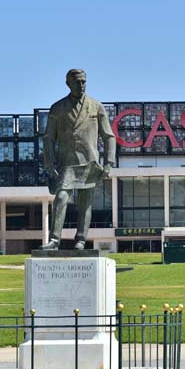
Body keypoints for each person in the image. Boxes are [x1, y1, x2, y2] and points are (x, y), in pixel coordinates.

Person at [40, 69, 116, 251]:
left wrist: (109, 163)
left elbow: (109, 136)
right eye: (77, 82)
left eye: (83, 82)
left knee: (85, 203)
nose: (81, 85)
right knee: (61, 198)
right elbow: (48, 138)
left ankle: (81, 239)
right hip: (66, 162)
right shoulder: (57, 108)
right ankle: (54, 240)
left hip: (89, 162)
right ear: (68, 84)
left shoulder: (96, 106)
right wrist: (49, 162)